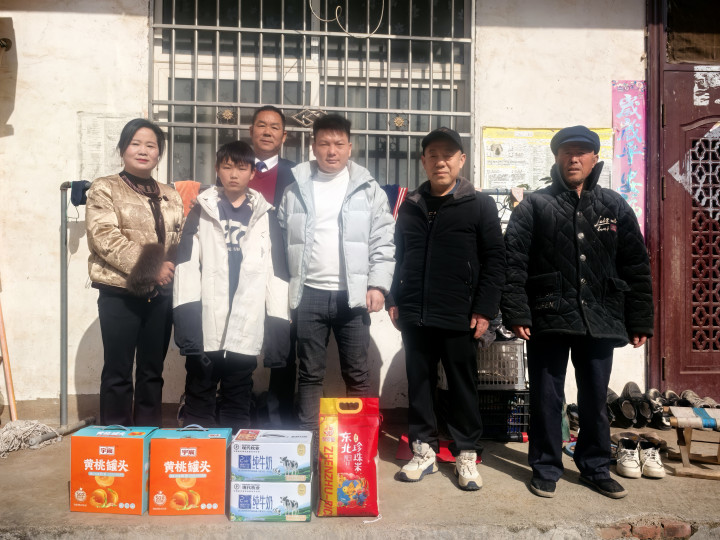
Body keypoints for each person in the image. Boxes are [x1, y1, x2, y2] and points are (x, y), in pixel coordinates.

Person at [501, 126, 653, 499]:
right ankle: (546, 466)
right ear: (556, 157)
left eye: (582, 152)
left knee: (595, 399)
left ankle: (595, 467)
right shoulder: (534, 205)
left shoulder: (614, 205)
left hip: (600, 316)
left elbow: (635, 264)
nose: (574, 158)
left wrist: (640, 319)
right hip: (547, 315)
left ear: (594, 159)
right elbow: (513, 262)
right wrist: (517, 312)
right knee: (546, 398)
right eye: (567, 152)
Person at [387, 127, 506, 491]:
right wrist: (394, 298)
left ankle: (466, 452)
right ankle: (423, 450)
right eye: (433, 155)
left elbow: (495, 259)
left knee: (462, 385)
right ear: (423, 161)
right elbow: (398, 255)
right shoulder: (410, 206)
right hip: (415, 311)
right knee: (419, 382)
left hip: (460, 313)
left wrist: (484, 309)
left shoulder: (480, 204)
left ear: (461, 160)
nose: (440, 162)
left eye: (448, 155)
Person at [277, 114, 395, 433]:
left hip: (353, 296)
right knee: (309, 374)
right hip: (309, 294)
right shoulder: (295, 189)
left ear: (349, 147)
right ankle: (311, 443)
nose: (332, 151)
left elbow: (383, 240)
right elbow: (281, 241)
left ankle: (358, 446)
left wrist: (377, 285)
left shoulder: (369, 190)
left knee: (357, 373)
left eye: (339, 144)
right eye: (325, 144)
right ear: (313, 146)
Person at [172, 140, 290, 433]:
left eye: (241, 168)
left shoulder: (265, 215)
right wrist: (187, 323)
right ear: (217, 169)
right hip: (208, 318)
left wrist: (278, 327)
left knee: (238, 392)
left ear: (252, 172)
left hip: (246, 318)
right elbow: (186, 268)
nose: (234, 174)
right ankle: (200, 453)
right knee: (200, 388)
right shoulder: (202, 210)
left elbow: (276, 273)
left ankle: (234, 453)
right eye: (227, 167)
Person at [86, 118, 184, 427]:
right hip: (120, 292)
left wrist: (168, 271)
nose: (143, 150)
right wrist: (153, 267)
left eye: (151, 145)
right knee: (118, 371)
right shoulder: (105, 187)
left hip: (161, 294)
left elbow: (178, 238)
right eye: (135, 143)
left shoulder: (171, 194)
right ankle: (116, 440)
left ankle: (148, 435)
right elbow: (104, 237)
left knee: (152, 371)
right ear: (122, 149)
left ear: (159, 153)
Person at [248, 105, 298, 428]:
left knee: (283, 346)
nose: (267, 132)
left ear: (284, 135)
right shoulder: (235, 166)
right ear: (251, 130)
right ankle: (241, 410)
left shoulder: (297, 174)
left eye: (274, 127)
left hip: (282, 270)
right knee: (237, 342)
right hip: (241, 269)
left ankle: (280, 419)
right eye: (261, 125)